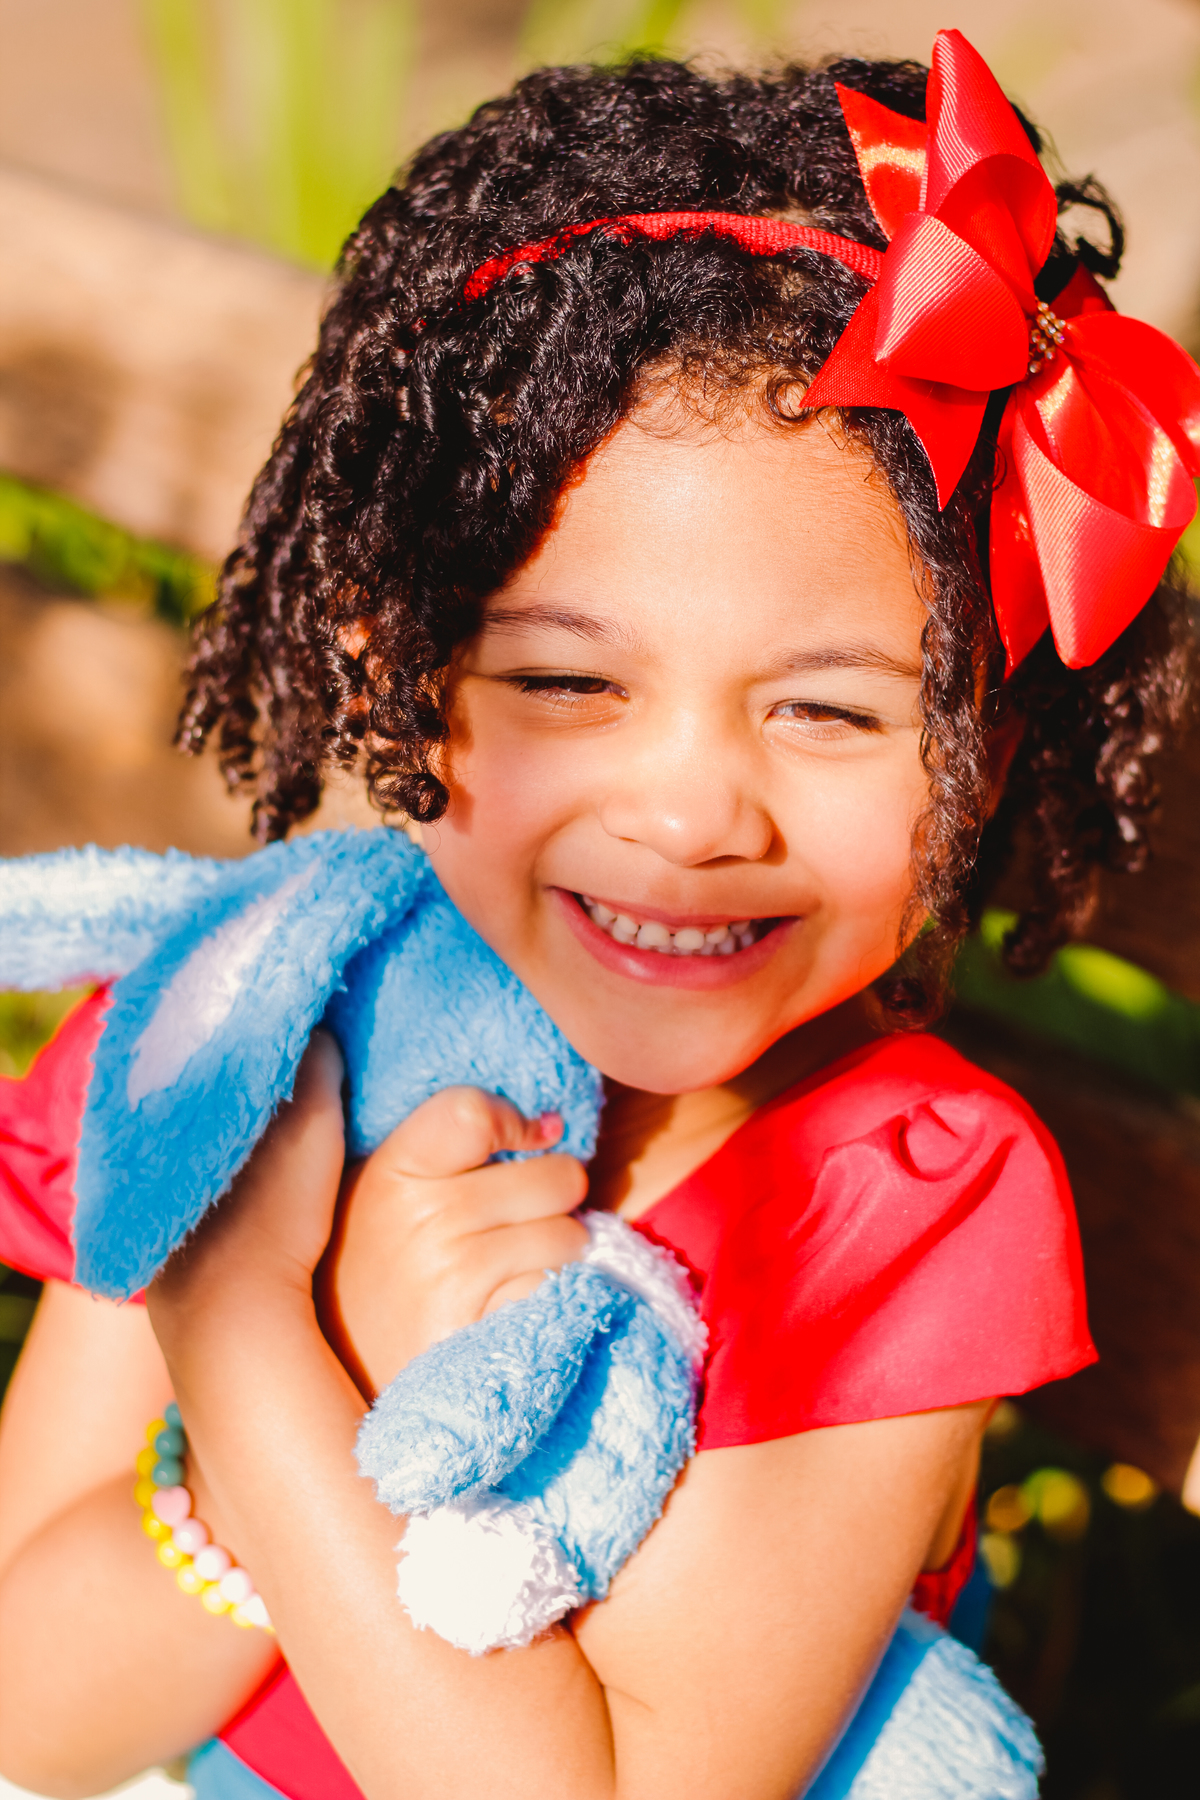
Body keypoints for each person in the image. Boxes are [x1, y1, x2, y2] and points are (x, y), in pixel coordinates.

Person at [0, 29, 1195, 1800]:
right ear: (407, 684)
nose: (692, 817)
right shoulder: (249, 1015)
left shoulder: (909, 1202)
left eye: (830, 711)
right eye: (569, 683)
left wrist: (256, 1336)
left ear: (981, 758)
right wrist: (311, 1398)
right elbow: (28, 1706)